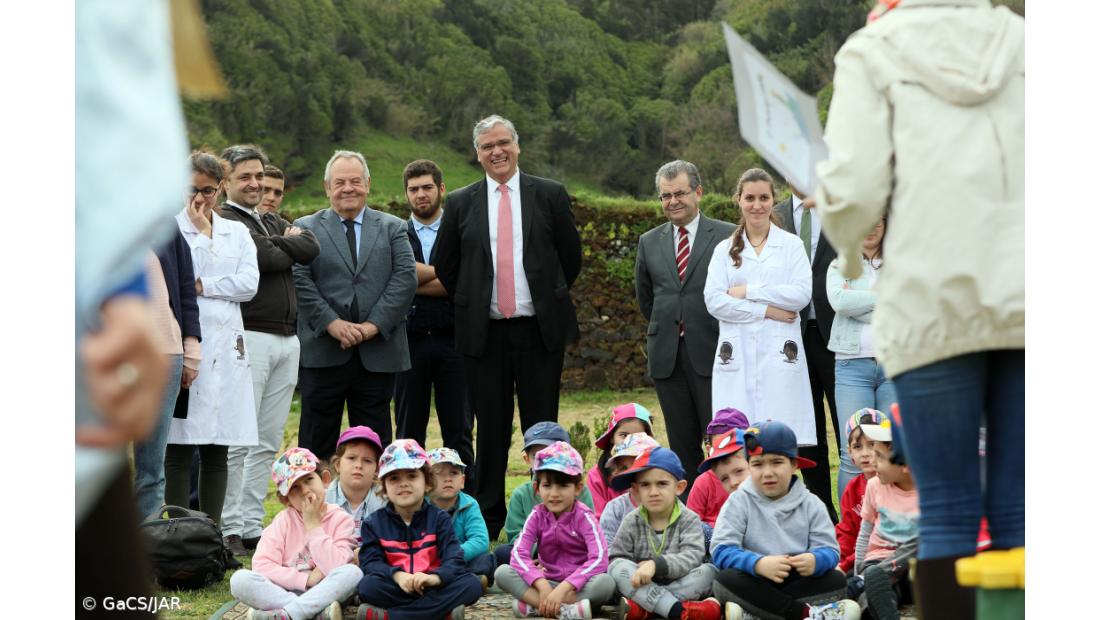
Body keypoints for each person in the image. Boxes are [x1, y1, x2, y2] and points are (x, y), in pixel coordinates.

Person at [815, 2, 1023, 616]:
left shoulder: (872, 51)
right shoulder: (1025, 40)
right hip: (1029, 294)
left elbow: (852, 199)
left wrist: (824, 191)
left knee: (950, 506)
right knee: (1022, 506)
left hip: (933, 302)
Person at [434, 114, 583, 539]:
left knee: (542, 429)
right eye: (487, 146)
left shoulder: (548, 195)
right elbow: (446, 264)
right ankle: (490, 519)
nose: (496, 152)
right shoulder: (462, 201)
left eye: (503, 143)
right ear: (477, 153)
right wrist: (474, 298)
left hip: (538, 331)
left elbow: (569, 256)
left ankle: (549, 516)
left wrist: (546, 293)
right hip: (486, 334)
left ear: (517, 146)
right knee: (491, 430)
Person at [219, 144, 321, 557]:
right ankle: (228, 526)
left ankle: (249, 524)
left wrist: (280, 239)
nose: (255, 184)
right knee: (240, 437)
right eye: (245, 176)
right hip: (251, 334)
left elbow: (311, 247)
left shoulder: (269, 218)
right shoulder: (225, 220)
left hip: (287, 337)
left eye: (258, 176)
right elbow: (263, 259)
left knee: (266, 438)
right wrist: (284, 242)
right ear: (226, 181)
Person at [292, 150, 418, 461]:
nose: (348, 188)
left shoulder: (393, 227)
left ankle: (374, 507)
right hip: (323, 351)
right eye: (340, 182)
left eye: (355, 181)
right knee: (315, 442)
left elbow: (405, 278)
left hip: (376, 353)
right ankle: (313, 507)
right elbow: (299, 279)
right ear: (326, 188)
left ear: (368, 184)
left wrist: (372, 326)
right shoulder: (305, 226)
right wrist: (332, 323)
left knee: (373, 444)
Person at [164, 151, 260, 525]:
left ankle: (210, 534)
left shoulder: (237, 232)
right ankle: (174, 531)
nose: (200, 199)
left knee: (217, 444)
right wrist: (201, 238)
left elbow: (249, 285)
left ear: (220, 188)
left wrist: (206, 283)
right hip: (185, 341)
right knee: (179, 445)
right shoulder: (170, 229)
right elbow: (182, 282)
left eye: (208, 190)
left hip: (228, 349)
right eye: (192, 189)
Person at [635, 160, 736, 486]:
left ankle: (724, 510)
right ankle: (690, 512)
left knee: (720, 438)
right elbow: (646, 299)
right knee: (680, 443)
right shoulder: (649, 241)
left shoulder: (725, 235)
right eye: (665, 196)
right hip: (668, 356)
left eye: (679, 193)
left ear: (699, 192)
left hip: (713, 351)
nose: (672, 201)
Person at [702, 169, 817, 454]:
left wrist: (747, 291)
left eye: (764, 197)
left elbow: (800, 295)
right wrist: (767, 310)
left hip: (779, 356)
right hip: (737, 354)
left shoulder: (791, 246)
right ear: (738, 200)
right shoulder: (724, 250)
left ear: (773, 201)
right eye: (749, 198)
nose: (757, 205)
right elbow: (715, 302)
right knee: (737, 442)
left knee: (781, 442)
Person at [711, 420, 858, 620]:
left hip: (797, 579)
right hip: (755, 578)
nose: (767, 472)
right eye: (757, 464)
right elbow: (721, 550)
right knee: (724, 580)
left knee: (836, 580)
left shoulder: (811, 503)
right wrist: (758, 563)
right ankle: (806, 614)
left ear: (794, 464)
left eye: (776, 462)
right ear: (749, 466)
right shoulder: (739, 501)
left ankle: (754, 614)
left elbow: (831, 551)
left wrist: (815, 560)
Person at [395, 159, 475, 481]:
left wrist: (415, 278)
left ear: (441, 189)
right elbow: (398, 278)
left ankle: (467, 504)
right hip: (407, 343)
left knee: (459, 429)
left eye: (427, 187)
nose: (421, 194)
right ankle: (407, 506)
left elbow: (467, 282)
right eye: (413, 189)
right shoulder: (395, 233)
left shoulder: (461, 231)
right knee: (408, 433)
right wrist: (446, 278)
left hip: (454, 340)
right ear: (406, 194)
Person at [229, 447, 362, 620]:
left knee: (353, 573)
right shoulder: (282, 522)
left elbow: (336, 566)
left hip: (325, 591)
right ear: (286, 499)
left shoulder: (341, 519)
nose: (305, 490)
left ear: (325, 480)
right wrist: (305, 580)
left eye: (309, 480)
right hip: (282, 592)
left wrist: (314, 527)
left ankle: (287, 615)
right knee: (239, 580)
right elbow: (262, 565)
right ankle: (312, 614)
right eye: (295, 488)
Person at [356, 439, 483, 620]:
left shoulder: (439, 519)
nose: (404, 483)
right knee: (367, 586)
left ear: (427, 482)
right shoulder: (373, 523)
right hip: (398, 586)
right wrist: (398, 576)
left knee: (471, 584)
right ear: (383, 487)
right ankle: (442, 613)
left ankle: (390, 616)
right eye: (394, 478)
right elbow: (371, 563)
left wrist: (435, 578)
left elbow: (454, 558)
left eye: (412, 475)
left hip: (432, 583)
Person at [775, 183, 841, 524]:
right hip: (790, 337)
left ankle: (857, 511)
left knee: (847, 427)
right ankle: (822, 514)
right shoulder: (774, 213)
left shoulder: (840, 206)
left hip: (839, 333)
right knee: (807, 430)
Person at [495, 442, 615, 620]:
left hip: (578, 585)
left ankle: (537, 606)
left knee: (606, 583)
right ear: (537, 488)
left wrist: (565, 587)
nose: (554, 493)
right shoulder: (536, 515)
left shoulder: (585, 517)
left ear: (577, 488)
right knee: (502, 573)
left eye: (563, 485)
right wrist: (541, 584)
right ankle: (568, 611)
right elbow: (519, 553)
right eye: (547, 485)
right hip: (547, 581)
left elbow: (599, 558)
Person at [132, 233, 202, 519]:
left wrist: (192, 348)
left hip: (165, 354)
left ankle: (149, 545)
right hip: (108, 357)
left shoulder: (166, 227)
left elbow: (186, 288)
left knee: (151, 465)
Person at [825, 216, 896, 496]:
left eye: (876, 220)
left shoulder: (901, 262)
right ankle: (851, 530)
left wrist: (861, 300)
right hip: (852, 366)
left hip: (894, 363)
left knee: (891, 446)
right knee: (853, 451)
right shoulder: (840, 264)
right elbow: (840, 302)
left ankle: (888, 521)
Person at [607, 447, 720, 620]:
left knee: (709, 571)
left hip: (679, 583)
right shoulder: (631, 520)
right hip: (643, 583)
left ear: (679, 487)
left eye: (662, 484)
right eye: (645, 485)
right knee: (617, 567)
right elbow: (617, 557)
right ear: (636, 489)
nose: (653, 492)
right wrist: (639, 568)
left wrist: (656, 565)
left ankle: (646, 609)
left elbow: (692, 557)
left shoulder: (689, 519)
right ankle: (678, 611)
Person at [497, 422, 596, 566]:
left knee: (598, 563)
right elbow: (515, 536)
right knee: (503, 553)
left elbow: (588, 532)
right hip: (533, 552)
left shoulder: (580, 491)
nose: (547, 462)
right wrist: (541, 554)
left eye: (554, 454)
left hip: (573, 552)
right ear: (527, 459)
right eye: (538, 456)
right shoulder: (520, 495)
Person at [853, 419, 918, 620]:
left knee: (924, 540)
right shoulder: (874, 486)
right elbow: (865, 532)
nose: (872, 463)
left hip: (911, 565)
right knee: (875, 585)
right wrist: (859, 573)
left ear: (905, 464)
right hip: (878, 562)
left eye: (879, 457)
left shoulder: (930, 491)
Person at [426, 447, 496, 589]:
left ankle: (462, 580)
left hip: (462, 558)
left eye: (454, 473)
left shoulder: (469, 504)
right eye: (439, 474)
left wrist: (454, 555)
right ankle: (465, 582)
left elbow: (480, 540)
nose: (448, 479)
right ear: (427, 483)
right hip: (432, 559)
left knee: (486, 560)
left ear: (462, 481)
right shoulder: (421, 507)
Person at [835, 409, 886, 578]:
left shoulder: (892, 483)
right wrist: (839, 562)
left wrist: (846, 564)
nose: (865, 453)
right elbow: (847, 531)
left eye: (872, 444)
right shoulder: (852, 488)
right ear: (850, 453)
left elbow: (879, 537)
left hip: (884, 557)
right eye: (857, 447)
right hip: (857, 559)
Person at [587, 403, 655, 517]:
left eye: (638, 435)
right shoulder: (596, 476)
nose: (631, 441)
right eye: (624, 435)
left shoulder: (658, 469)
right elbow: (597, 519)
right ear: (612, 438)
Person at [325, 426, 387, 547]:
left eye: (367, 460)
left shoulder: (385, 501)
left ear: (377, 469)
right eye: (352, 458)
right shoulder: (324, 499)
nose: (358, 465)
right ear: (338, 465)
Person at [688, 429, 749, 548]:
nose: (733, 482)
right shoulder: (730, 508)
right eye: (724, 479)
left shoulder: (771, 499)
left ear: (755, 464)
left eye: (739, 471)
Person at [599, 433, 661, 547]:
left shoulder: (671, 505)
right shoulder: (615, 509)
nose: (630, 473)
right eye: (623, 468)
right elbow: (606, 548)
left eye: (638, 466)